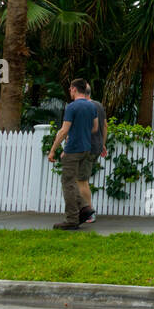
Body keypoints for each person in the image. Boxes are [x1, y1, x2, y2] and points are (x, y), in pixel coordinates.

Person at [48, 78, 100, 230]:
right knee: (74, 182)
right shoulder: (91, 107)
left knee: (68, 183)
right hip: (86, 148)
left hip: (73, 149)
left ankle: (71, 219)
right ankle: (85, 207)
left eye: (70, 89)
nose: (69, 92)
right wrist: (82, 132)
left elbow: (64, 130)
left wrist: (53, 150)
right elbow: (95, 128)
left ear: (75, 89)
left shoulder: (72, 107)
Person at [79, 90, 109, 224]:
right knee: (81, 180)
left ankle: (89, 213)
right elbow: (105, 126)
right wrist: (102, 143)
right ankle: (83, 210)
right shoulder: (99, 105)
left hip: (86, 147)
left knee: (82, 180)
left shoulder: (84, 106)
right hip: (96, 146)